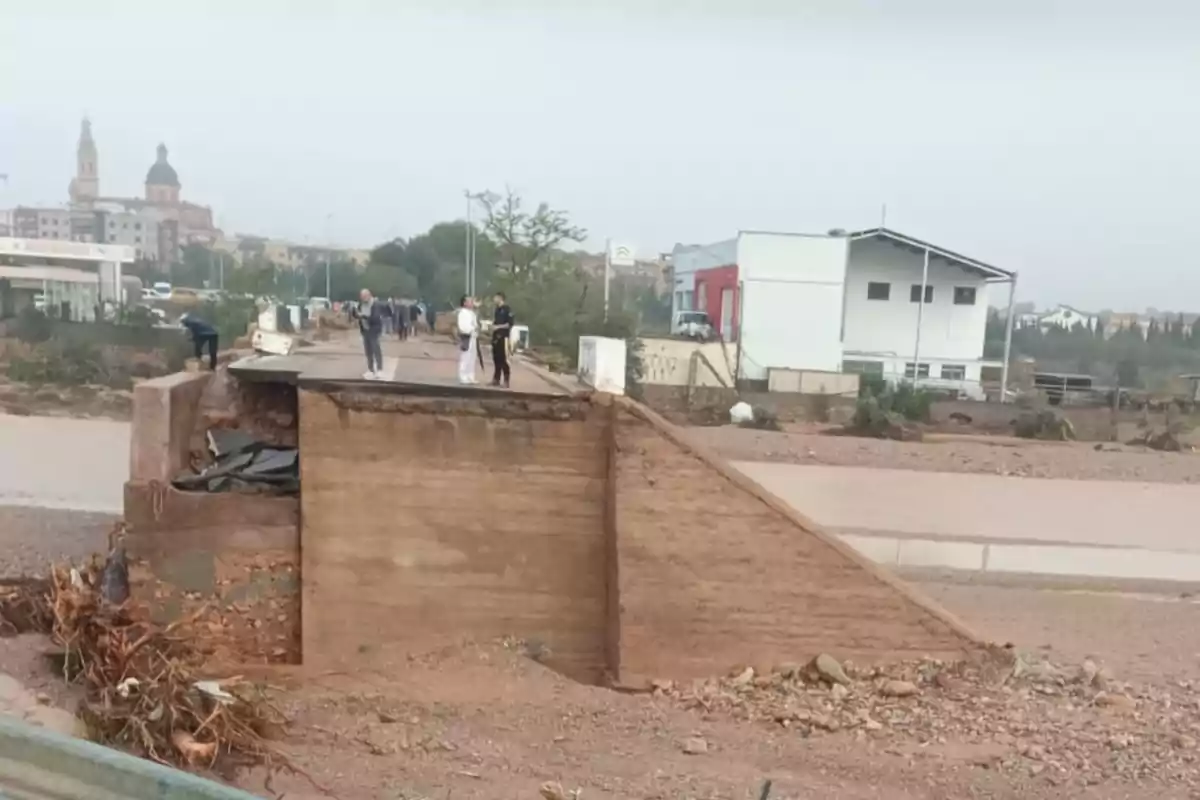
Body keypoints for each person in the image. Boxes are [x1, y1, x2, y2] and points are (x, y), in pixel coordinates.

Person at [352, 288, 386, 380]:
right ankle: (370, 370)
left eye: (365, 296)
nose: (363, 298)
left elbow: (375, 317)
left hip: (374, 329)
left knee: (376, 349)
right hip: (365, 330)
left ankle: (379, 369)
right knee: (368, 351)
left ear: (369, 295)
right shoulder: (361, 305)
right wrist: (354, 312)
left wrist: (363, 316)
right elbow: (356, 315)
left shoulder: (375, 304)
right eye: (362, 296)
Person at [490, 292, 514, 388]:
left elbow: (509, 324)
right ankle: (496, 379)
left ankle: (506, 380)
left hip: (504, 337)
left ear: (500, 298)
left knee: (504, 359)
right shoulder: (497, 310)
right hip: (496, 337)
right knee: (496, 359)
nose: (494, 299)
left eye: (495, 297)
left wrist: (498, 327)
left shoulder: (507, 310)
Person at [455, 295, 478, 385]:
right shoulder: (462, 313)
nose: (471, 302)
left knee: (472, 357)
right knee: (465, 356)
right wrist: (471, 329)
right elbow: (462, 326)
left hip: (473, 337)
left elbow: (475, 324)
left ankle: (470, 375)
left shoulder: (472, 313)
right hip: (466, 336)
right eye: (469, 301)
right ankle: (463, 375)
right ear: (464, 303)